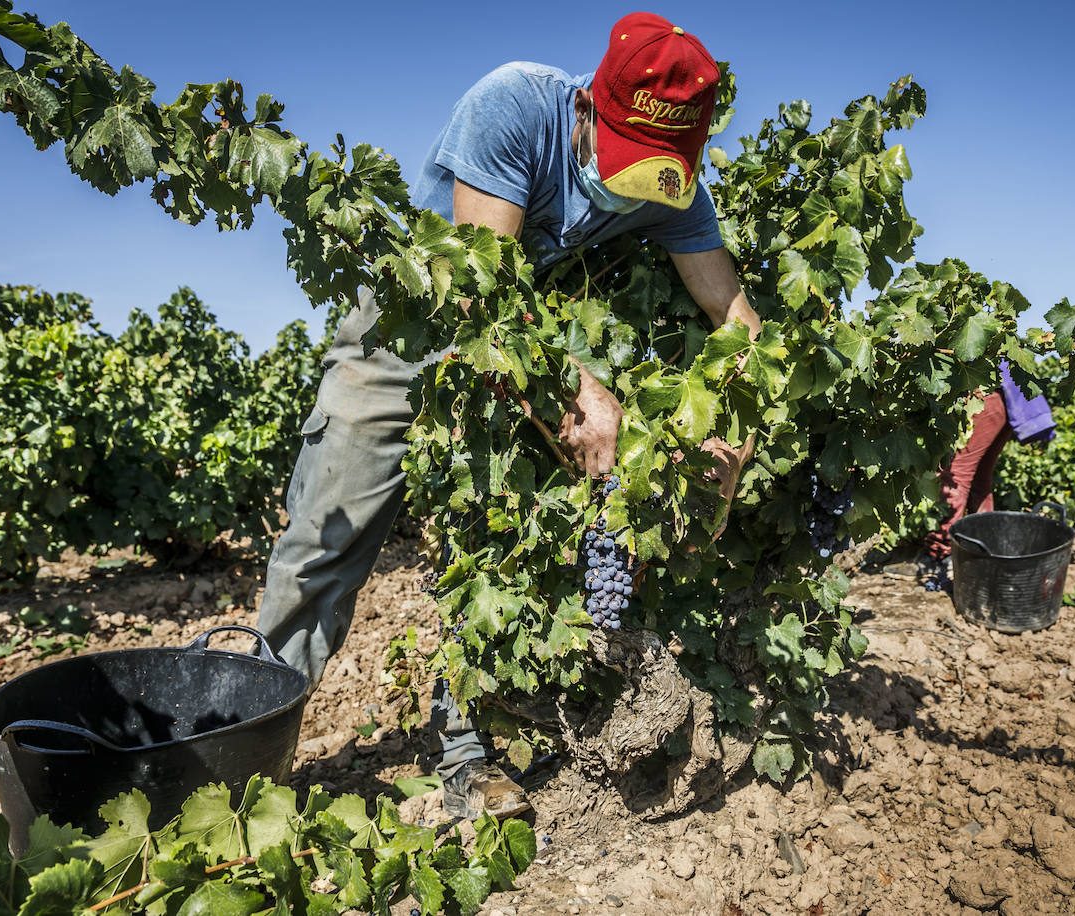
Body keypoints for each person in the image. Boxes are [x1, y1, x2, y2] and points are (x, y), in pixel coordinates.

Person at [257, 12, 761, 819]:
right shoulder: (513, 106)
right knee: (324, 541)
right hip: (411, 333)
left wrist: (736, 429)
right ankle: (241, 754)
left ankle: (466, 760)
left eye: (661, 171)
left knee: (493, 551)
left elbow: (736, 319)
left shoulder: (667, 179)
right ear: (592, 107)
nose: (641, 186)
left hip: (533, 355)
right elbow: (475, 300)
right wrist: (583, 387)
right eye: (630, 162)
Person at [898, 360, 1056, 591]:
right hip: (1004, 394)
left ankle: (938, 558)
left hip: (983, 394)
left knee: (954, 474)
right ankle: (985, 551)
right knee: (979, 479)